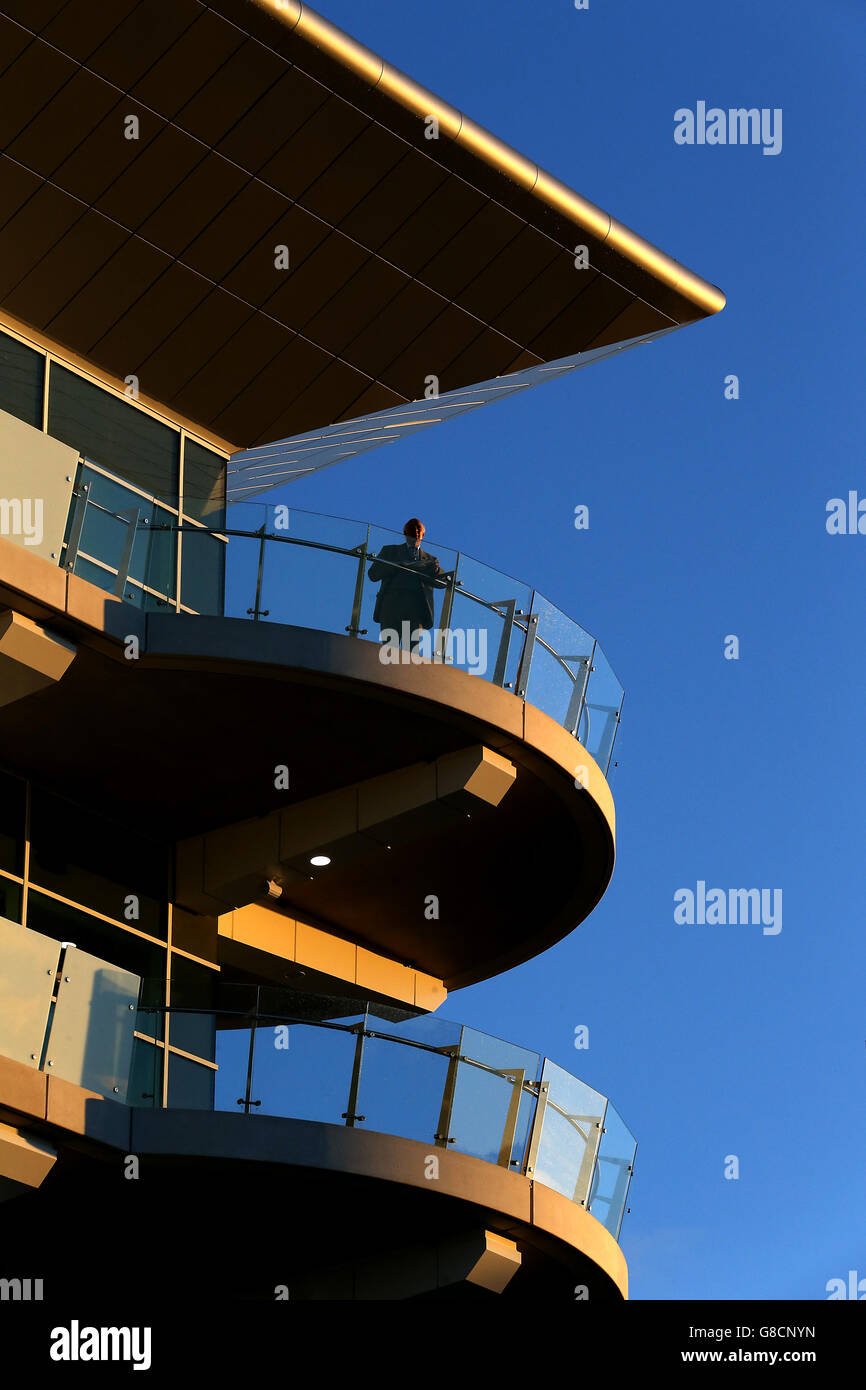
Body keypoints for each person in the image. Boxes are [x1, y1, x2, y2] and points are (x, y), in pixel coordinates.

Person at [368, 518, 441, 649]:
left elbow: (443, 583)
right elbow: (373, 574)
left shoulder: (430, 560)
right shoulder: (390, 551)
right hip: (391, 607)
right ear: (405, 532)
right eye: (412, 527)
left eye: (419, 528)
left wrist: (435, 570)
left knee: (411, 654)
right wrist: (397, 566)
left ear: (423, 534)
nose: (416, 530)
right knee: (389, 652)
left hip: (416, 610)